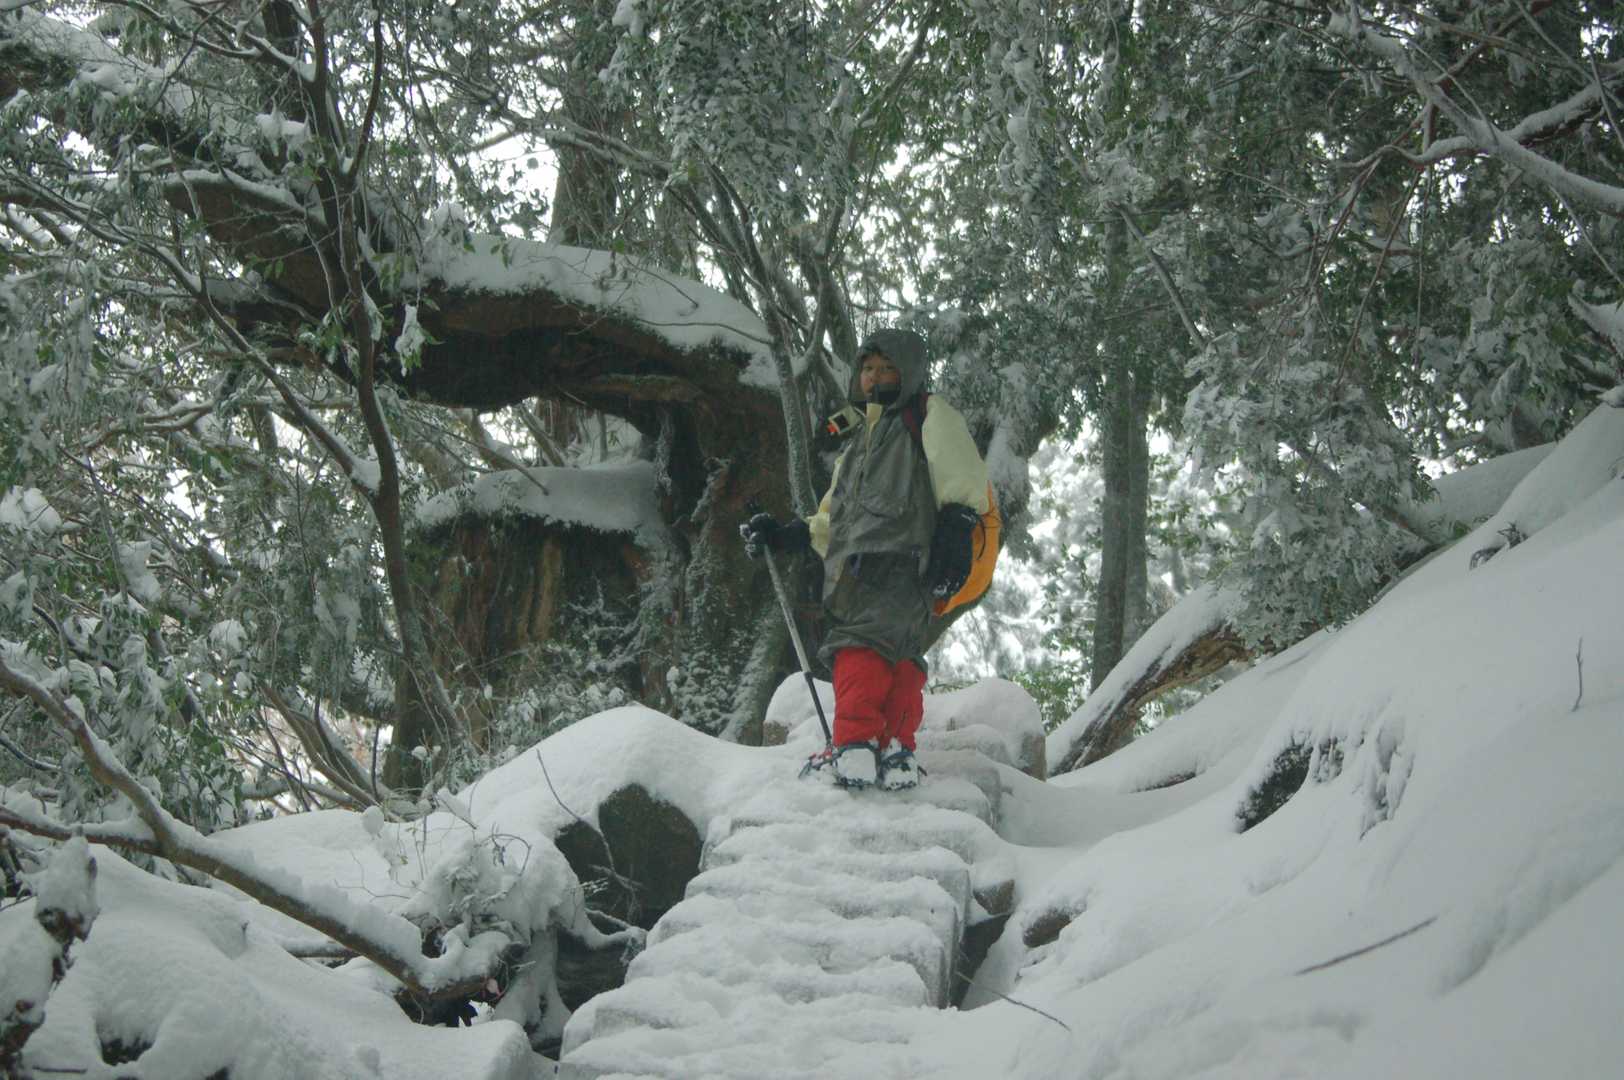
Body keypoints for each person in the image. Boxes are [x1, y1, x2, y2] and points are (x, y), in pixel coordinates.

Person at [742, 328, 989, 790]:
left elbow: (961, 472)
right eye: (868, 369)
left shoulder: (930, 415)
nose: (875, 377)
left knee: (858, 645)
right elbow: (834, 515)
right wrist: (788, 535)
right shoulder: (860, 440)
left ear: (909, 372)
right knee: (897, 651)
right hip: (860, 569)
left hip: (900, 557)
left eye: (887, 368)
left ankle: (855, 745)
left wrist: (957, 528)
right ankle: (895, 751)